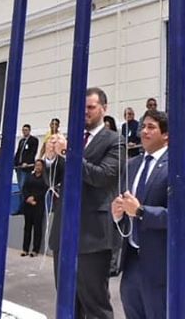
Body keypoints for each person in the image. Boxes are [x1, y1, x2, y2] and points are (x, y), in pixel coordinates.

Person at [47, 87, 121, 318]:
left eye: (90, 107)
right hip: (65, 231)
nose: (85, 112)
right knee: (67, 301)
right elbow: (54, 178)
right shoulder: (73, 138)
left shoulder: (114, 141)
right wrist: (50, 158)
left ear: (104, 109)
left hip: (93, 236)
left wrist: (68, 152)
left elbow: (102, 177)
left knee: (95, 304)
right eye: (82, 108)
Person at [112, 109, 185, 319]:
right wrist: (118, 215)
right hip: (132, 260)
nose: (144, 132)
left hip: (163, 263)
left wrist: (140, 211)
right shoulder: (132, 165)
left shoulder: (179, 165)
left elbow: (178, 216)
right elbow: (126, 209)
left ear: (166, 134)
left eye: (151, 127)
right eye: (143, 127)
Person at [21, 159, 48, 257]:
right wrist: (28, 197)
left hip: (38, 204)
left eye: (39, 165)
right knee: (27, 227)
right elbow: (24, 188)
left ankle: (35, 250)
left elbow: (44, 190)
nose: (37, 167)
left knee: (37, 228)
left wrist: (34, 198)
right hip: (28, 204)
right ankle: (25, 249)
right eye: (36, 165)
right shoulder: (30, 177)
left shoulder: (45, 178)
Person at [14, 124, 39, 214]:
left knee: (24, 187)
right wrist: (15, 163)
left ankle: (23, 208)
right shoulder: (21, 141)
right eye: (23, 130)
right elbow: (18, 152)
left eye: (26, 130)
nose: (24, 132)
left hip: (26, 167)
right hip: (19, 167)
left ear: (29, 130)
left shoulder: (33, 140)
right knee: (20, 188)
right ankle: (21, 207)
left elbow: (33, 152)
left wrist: (27, 162)